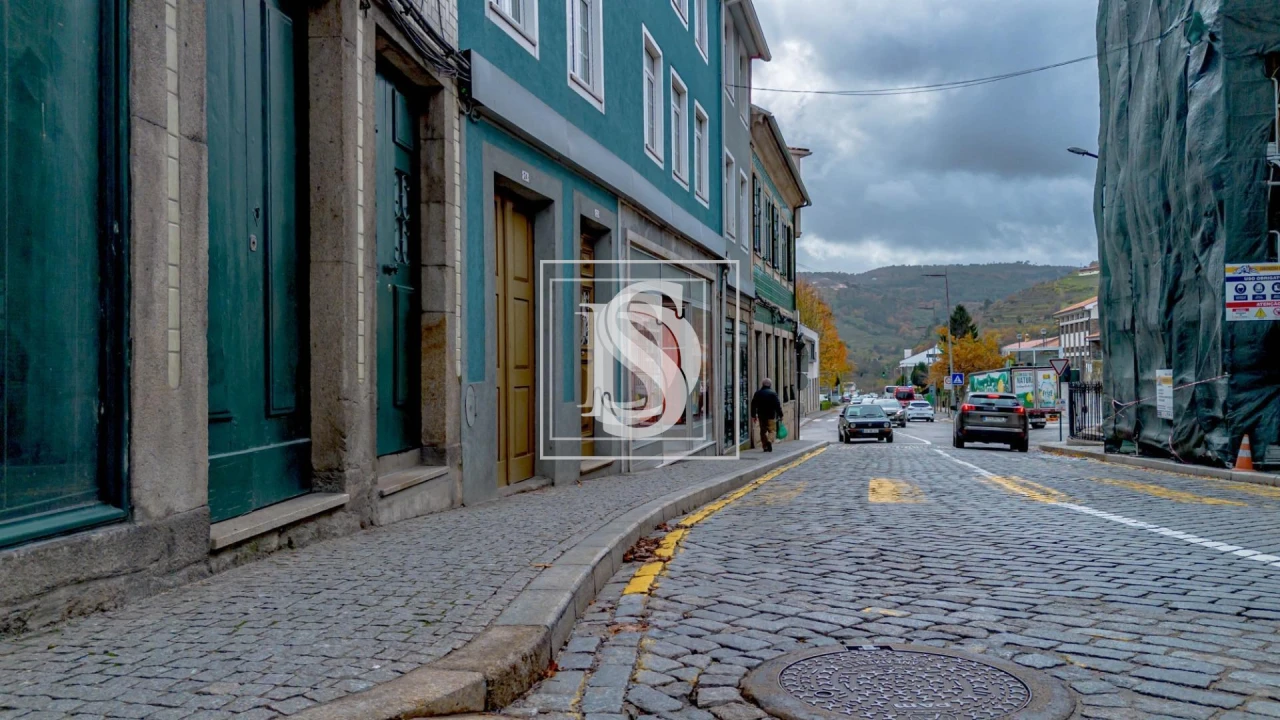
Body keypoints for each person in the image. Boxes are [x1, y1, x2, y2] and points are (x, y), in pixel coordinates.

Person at [750, 378, 784, 452]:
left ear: (762, 384)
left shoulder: (758, 393)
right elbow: (777, 405)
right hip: (771, 416)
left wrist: (753, 415)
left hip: (761, 416)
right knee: (772, 430)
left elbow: (753, 405)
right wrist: (781, 415)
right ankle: (769, 441)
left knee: (763, 431)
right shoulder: (773, 393)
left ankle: (765, 446)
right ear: (770, 385)